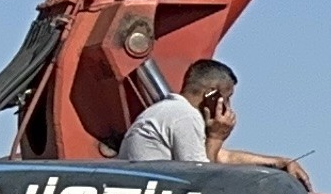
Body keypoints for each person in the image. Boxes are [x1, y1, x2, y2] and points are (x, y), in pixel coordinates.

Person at [118, 59, 309, 184]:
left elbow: (221, 157)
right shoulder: (184, 116)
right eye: (227, 97)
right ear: (212, 94)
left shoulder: (167, 111)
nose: (228, 105)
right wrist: (217, 136)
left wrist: (278, 163)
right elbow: (202, 180)